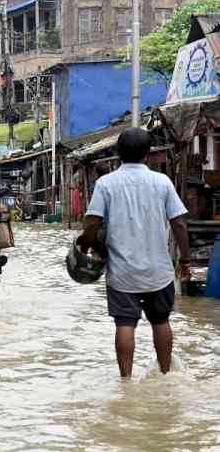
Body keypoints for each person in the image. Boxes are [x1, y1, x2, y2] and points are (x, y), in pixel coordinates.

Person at [78, 128, 191, 378]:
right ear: (148, 154)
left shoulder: (105, 183)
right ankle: (165, 375)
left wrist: (86, 246)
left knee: (125, 324)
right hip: (158, 271)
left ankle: (126, 382)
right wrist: (185, 260)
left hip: (121, 272)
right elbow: (179, 224)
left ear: (118, 154)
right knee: (161, 321)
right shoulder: (162, 182)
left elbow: (92, 223)